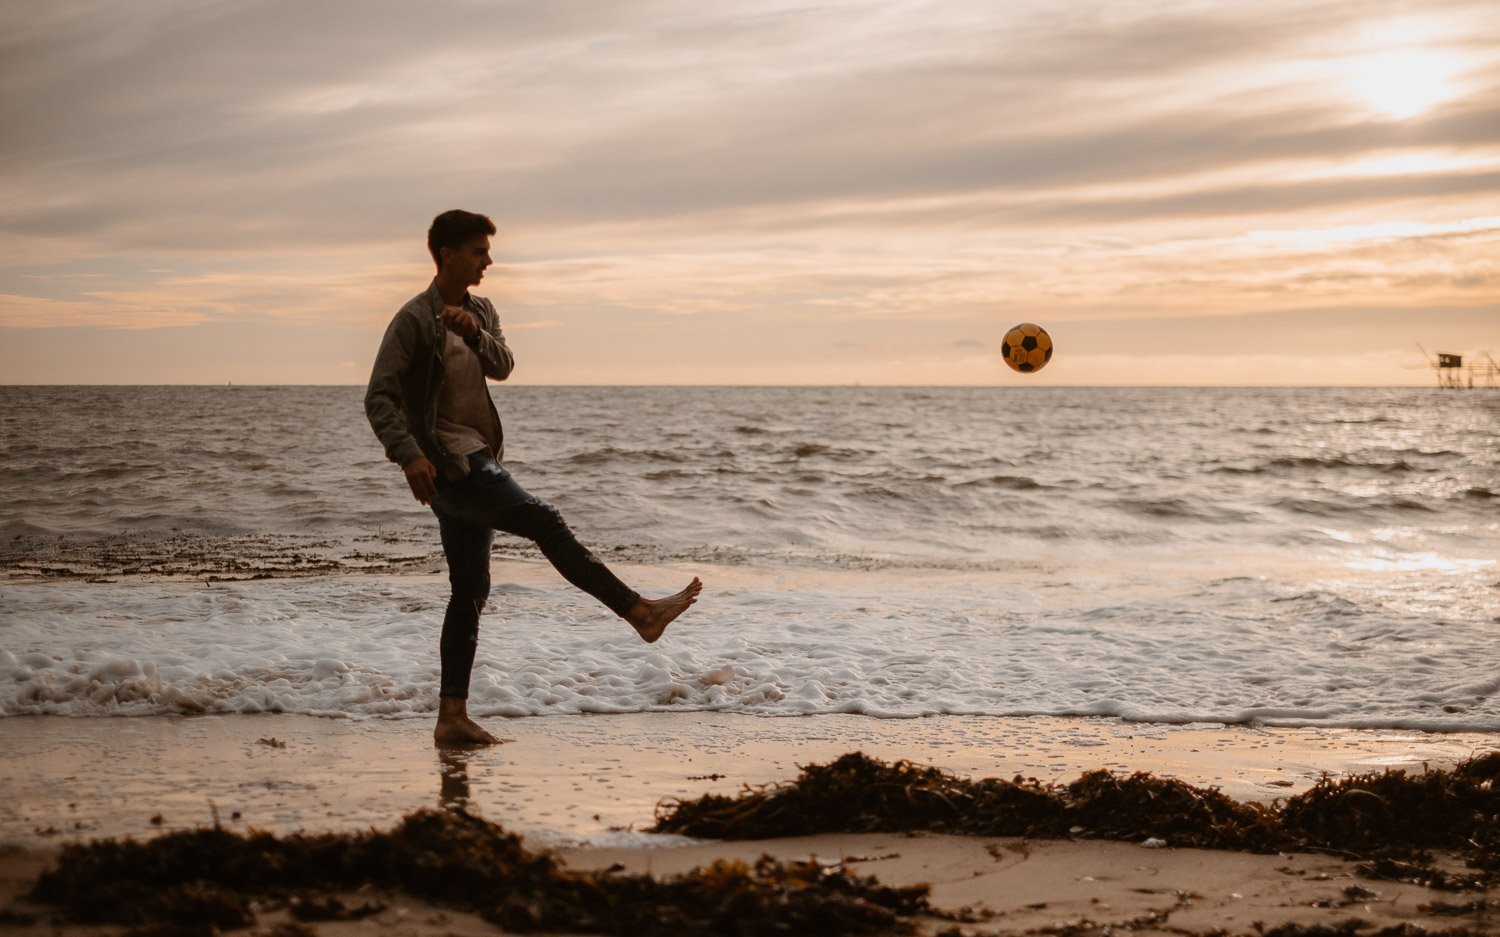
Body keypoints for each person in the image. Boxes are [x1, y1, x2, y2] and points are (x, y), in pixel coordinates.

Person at [365, 209, 702, 745]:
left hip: (479, 455)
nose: (488, 261)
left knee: (470, 589)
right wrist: (408, 455)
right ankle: (638, 611)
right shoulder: (412, 320)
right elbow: (378, 397)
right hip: (454, 464)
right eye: (478, 251)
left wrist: (476, 333)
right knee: (544, 521)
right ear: (448, 255)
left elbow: (504, 366)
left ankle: (451, 718)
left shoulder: (482, 309)